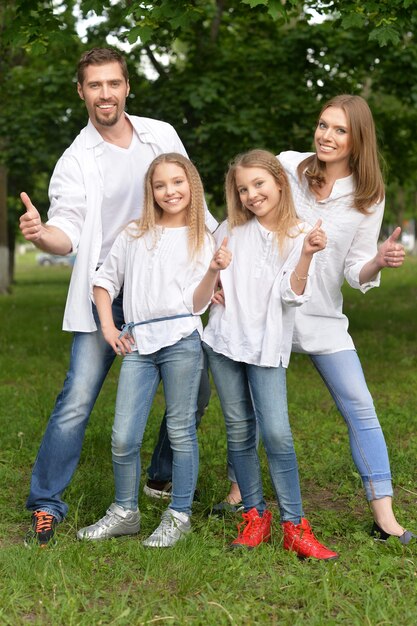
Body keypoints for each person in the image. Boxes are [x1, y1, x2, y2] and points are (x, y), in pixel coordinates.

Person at [19, 47, 217, 547]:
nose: (105, 93)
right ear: (80, 91)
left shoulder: (161, 134)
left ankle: (159, 477)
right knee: (78, 397)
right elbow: (67, 229)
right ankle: (46, 503)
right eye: (94, 85)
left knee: (194, 393)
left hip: (167, 289)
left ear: (127, 86)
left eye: (113, 83)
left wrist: (217, 263)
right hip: (108, 290)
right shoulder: (75, 159)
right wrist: (43, 236)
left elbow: (191, 197)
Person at [218, 95, 416, 545]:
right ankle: (238, 494)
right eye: (323, 125)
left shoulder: (369, 195)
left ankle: (384, 516)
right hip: (265, 311)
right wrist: (217, 273)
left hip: (322, 316)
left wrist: (379, 262)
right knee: (248, 408)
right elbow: (242, 215)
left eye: (339, 130)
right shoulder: (288, 166)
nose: (326, 136)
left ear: (357, 139)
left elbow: (355, 267)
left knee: (361, 408)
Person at [76, 153, 231, 547]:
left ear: (191, 184)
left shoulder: (202, 236)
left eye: (177, 182)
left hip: (182, 342)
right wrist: (109, 327)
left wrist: (213, 270)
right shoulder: (134, 234)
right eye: (160, 185)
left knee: (181, 431)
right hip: (139, 345)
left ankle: (178, 515)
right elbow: (103, 282)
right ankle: (125, 511)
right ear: (151, 191)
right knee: (124, 437)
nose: (169, 191)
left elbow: (198, 303)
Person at [203, 149, 339, 560]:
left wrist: (307, 256)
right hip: (225, 341)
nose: (251, 195)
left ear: (279, 182)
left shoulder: (301, 233)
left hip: (266, 346)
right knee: (239, 431)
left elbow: (291, 294)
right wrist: (210, 282)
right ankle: (254, 515)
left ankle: (294, 525)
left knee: (277, 433)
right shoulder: (229, 228)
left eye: (258, 184)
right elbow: (202, 270)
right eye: (243, 189)